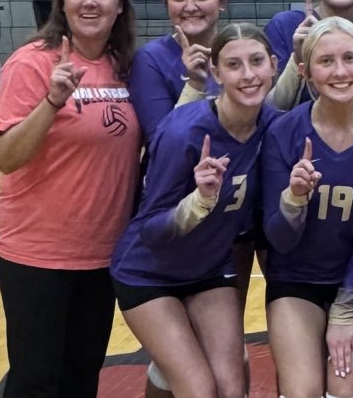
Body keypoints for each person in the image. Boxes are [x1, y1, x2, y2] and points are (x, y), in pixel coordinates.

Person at [0, 0, 139, 397]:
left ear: (119, 7)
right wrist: (52, 101)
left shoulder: (127, 65)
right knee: (35, 381)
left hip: (100, 254)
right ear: (63, 4)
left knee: (81, 376)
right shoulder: (32, 62)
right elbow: (6, 157)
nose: (90, 2)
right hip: (35, 253)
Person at [110, 23, 277, 397]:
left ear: (274, 66)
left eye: (256, 62)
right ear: (216, 73)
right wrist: (198, 202)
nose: (248, 75)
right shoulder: (182, 134)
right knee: (198, 388)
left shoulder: (275, 127)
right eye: (234, 65)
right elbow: (152, 231)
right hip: (148, 273)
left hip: (209, 270)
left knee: (231, 387)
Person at [261, 17, 353, 398]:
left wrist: (344, 311)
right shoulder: (283, 132)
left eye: (349, 58)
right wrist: (294, 199)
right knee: (302, 391)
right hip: (296, 278)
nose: (340, 71)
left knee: (345, 391)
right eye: (326, 61)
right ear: (306, 72)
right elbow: (279, 239)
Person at [128, 0, 228, 140]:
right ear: (166, 2)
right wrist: (194, 85)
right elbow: (160, 141)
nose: (190, 7)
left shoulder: (237, 51)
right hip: (182, 168)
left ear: (222, 1)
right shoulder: (150, 59)